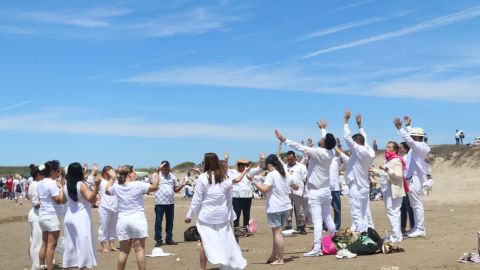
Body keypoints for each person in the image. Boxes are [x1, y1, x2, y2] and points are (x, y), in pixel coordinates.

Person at [275, 126, 337, 257]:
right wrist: (323, 129)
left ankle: (317, 248)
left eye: (323, 138)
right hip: (326, 190)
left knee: (317, 221)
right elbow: (329, 142)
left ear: (324, 143)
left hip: (315, 191)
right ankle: (334, 242)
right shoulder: (331, 153)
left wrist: (284, 139)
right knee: (328, 218)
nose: (321, 138)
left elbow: (300, 147)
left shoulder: (318, 152)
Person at [185, 152, 248, 270]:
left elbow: (197, 199)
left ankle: (202, 268)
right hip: (222, 214)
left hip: (206, 216)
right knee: (224, 240)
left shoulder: (202, 177)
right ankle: (225, 265)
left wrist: (189, 215)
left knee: (204, 241)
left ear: (206, 162)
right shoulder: (223, 177)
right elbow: (229, 197)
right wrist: (231, 215)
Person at [106, 165, 160, 270]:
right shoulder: (138, 185)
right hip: (137, 219)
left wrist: (112, 178)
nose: (135, 174)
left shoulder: (117, 186)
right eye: (134, 172)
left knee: (123, 251)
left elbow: (107, 190)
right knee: (139, 250)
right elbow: (155, 187)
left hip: (123, 220)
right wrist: (158, 173)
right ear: (129, 174)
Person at [248, 154, 299, 265]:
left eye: (267, 166)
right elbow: (296, 187)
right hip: (286, 207)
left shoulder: (272, 175)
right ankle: (273, 256)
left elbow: (265, 189)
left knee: (277, 233)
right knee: (277, 233)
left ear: (270, 164)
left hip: (275, 207)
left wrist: (253, 181)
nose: (267, 168)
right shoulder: (285, 173)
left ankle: (280, 259)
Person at [394, 116, 430, 238]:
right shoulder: (417, 147)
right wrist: (409, 126)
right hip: (411, 179)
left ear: (417, 137)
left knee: (417, 204)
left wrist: (400, 128)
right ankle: (416, 227)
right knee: (414, 205)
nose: (412, 138)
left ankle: (420, 228)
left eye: (413, 136)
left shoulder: (420, 147)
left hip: (416, 180)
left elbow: (410, 141)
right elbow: (411, 140)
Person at [343, 112, 376, 233]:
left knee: (356, 211)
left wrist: (345, 121)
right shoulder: (369, 151)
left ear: (356, 143)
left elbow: (347, 137)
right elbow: (365, 138)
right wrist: (359, 125)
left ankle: (363, 234)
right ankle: (369, 231)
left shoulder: (358, 151)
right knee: (364, 211)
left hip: (357, 186)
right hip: (364, 185)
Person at [62, 163, 99, 269]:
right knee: (83, 243)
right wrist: (96, 187)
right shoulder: (81, 184)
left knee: (70, 244)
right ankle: (82, 266)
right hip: (81, 217)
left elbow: (62, 201)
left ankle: (66, 266)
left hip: (69, 217)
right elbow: (91, 199)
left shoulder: (66, 185)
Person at [371, 141, 406, 243]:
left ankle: (396, 235)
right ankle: (397, 235)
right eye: (387, 147)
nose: (387, 148)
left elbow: (399, 175)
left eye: (390, 147)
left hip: (394, 189)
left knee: (393, 212)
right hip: (386, 189)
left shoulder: (396, 160)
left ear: (395, 150)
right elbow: (383, 174)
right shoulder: (387, 160)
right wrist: (374, 170)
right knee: (392, 212)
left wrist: (387, 170)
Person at [38, 160, 65, 270]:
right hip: (51, 216)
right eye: (57, 170)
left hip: (43, 215)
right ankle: (49, 268)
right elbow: (58, 200)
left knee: (44, 244)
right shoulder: (51, 183)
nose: (58, 172)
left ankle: (41, 266)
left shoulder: (41, 182)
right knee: (51, 246)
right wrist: (62, 189)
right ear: (53, 171)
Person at [276, 142, 308, 234]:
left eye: (291, 159)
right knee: (288, 209)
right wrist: (279, 147)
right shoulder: (284, 167)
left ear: (295, 158)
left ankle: (301, 227)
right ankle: (288, 226)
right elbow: (277, 158)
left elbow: (305, 179)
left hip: (298, 192)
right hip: (287, 192)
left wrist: (304, 190)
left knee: (300, 210)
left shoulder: (301, 166)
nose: (289, 161)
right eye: (288, 159)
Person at [318, 120, 342, 231]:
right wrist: (322, 129)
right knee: (324, 209)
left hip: (335, 188)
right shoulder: (325, 156)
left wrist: (323, 129)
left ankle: (337, 225)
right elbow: (326, 142)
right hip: (325, 187)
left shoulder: (336, 157)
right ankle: (324, 225)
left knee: (337, 209)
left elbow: (330, 144)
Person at [154, 161, 184, 247]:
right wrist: (157, 172)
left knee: (170, 222)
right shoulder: (157, 175)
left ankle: (169, 239)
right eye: (164, 167)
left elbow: (175, 190)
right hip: (159, 203)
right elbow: (153, 186)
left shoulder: (173, 176)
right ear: (161, 168)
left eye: (168, 168)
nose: (166, 169)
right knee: (158, 222)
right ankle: (158, 240)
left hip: (170, 203)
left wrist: (182, 185)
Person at [226, 153, 255, 229]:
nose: (242, 166)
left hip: (247, 196)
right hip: (236, 196)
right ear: (238, 165)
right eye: (241, 164)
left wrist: (261, 160)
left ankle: (246, 229)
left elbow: (260, 168)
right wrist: (226, 159)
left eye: (244, 164)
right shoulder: (233, 172)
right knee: (236, 214)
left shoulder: (249, 172)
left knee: (246, 214)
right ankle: (236, 229)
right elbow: (225, 169)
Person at [98, 166, 118, 252]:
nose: (110, 173)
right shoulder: (101, 180)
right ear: (105, 172)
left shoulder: (116, 181)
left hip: (115, 206)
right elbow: (91, 180)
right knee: (103, 226)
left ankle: (112, 245)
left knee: (113, 226)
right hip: (104, 206)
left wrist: (114, 177)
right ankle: (103, 246)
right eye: (108, 171)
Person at [28, 164, 44, 270]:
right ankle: (36, 266)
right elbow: (36, 204)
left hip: (37, 216)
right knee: (36, 243)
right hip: (36, 216)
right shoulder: (35, 185)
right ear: (38, 175)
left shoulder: (36, 184)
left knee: (37, 241)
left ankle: (38, 264)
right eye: (43, 173)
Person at [399, 142, 415, 234]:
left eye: (400, 147)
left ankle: (413, 226)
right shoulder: (401, 158)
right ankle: (403, 227)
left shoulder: (407, 158)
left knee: (409, 207)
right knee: (402, 207)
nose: (399, 149)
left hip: (407, 185)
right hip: (402, 185)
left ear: (405, 149)